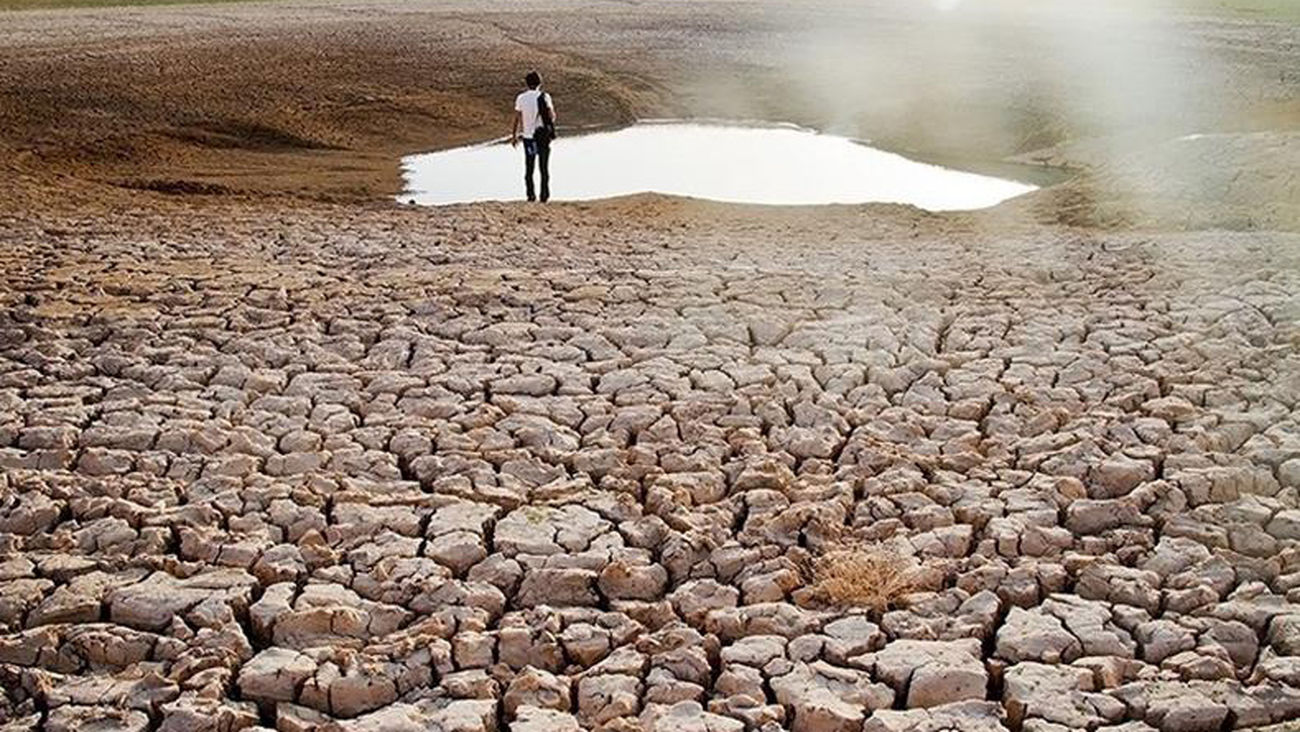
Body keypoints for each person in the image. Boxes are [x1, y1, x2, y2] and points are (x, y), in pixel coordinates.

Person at [510, 71, 555, 202]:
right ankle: (544, 196)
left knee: (529, 167)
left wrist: (514, 136)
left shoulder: (521, 98)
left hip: (528, 138)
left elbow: (517, 119)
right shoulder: (545, 96)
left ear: (527, 83)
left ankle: (530, 195)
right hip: (542, 136)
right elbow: (552, 116)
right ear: (540, 83)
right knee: (544, 168)